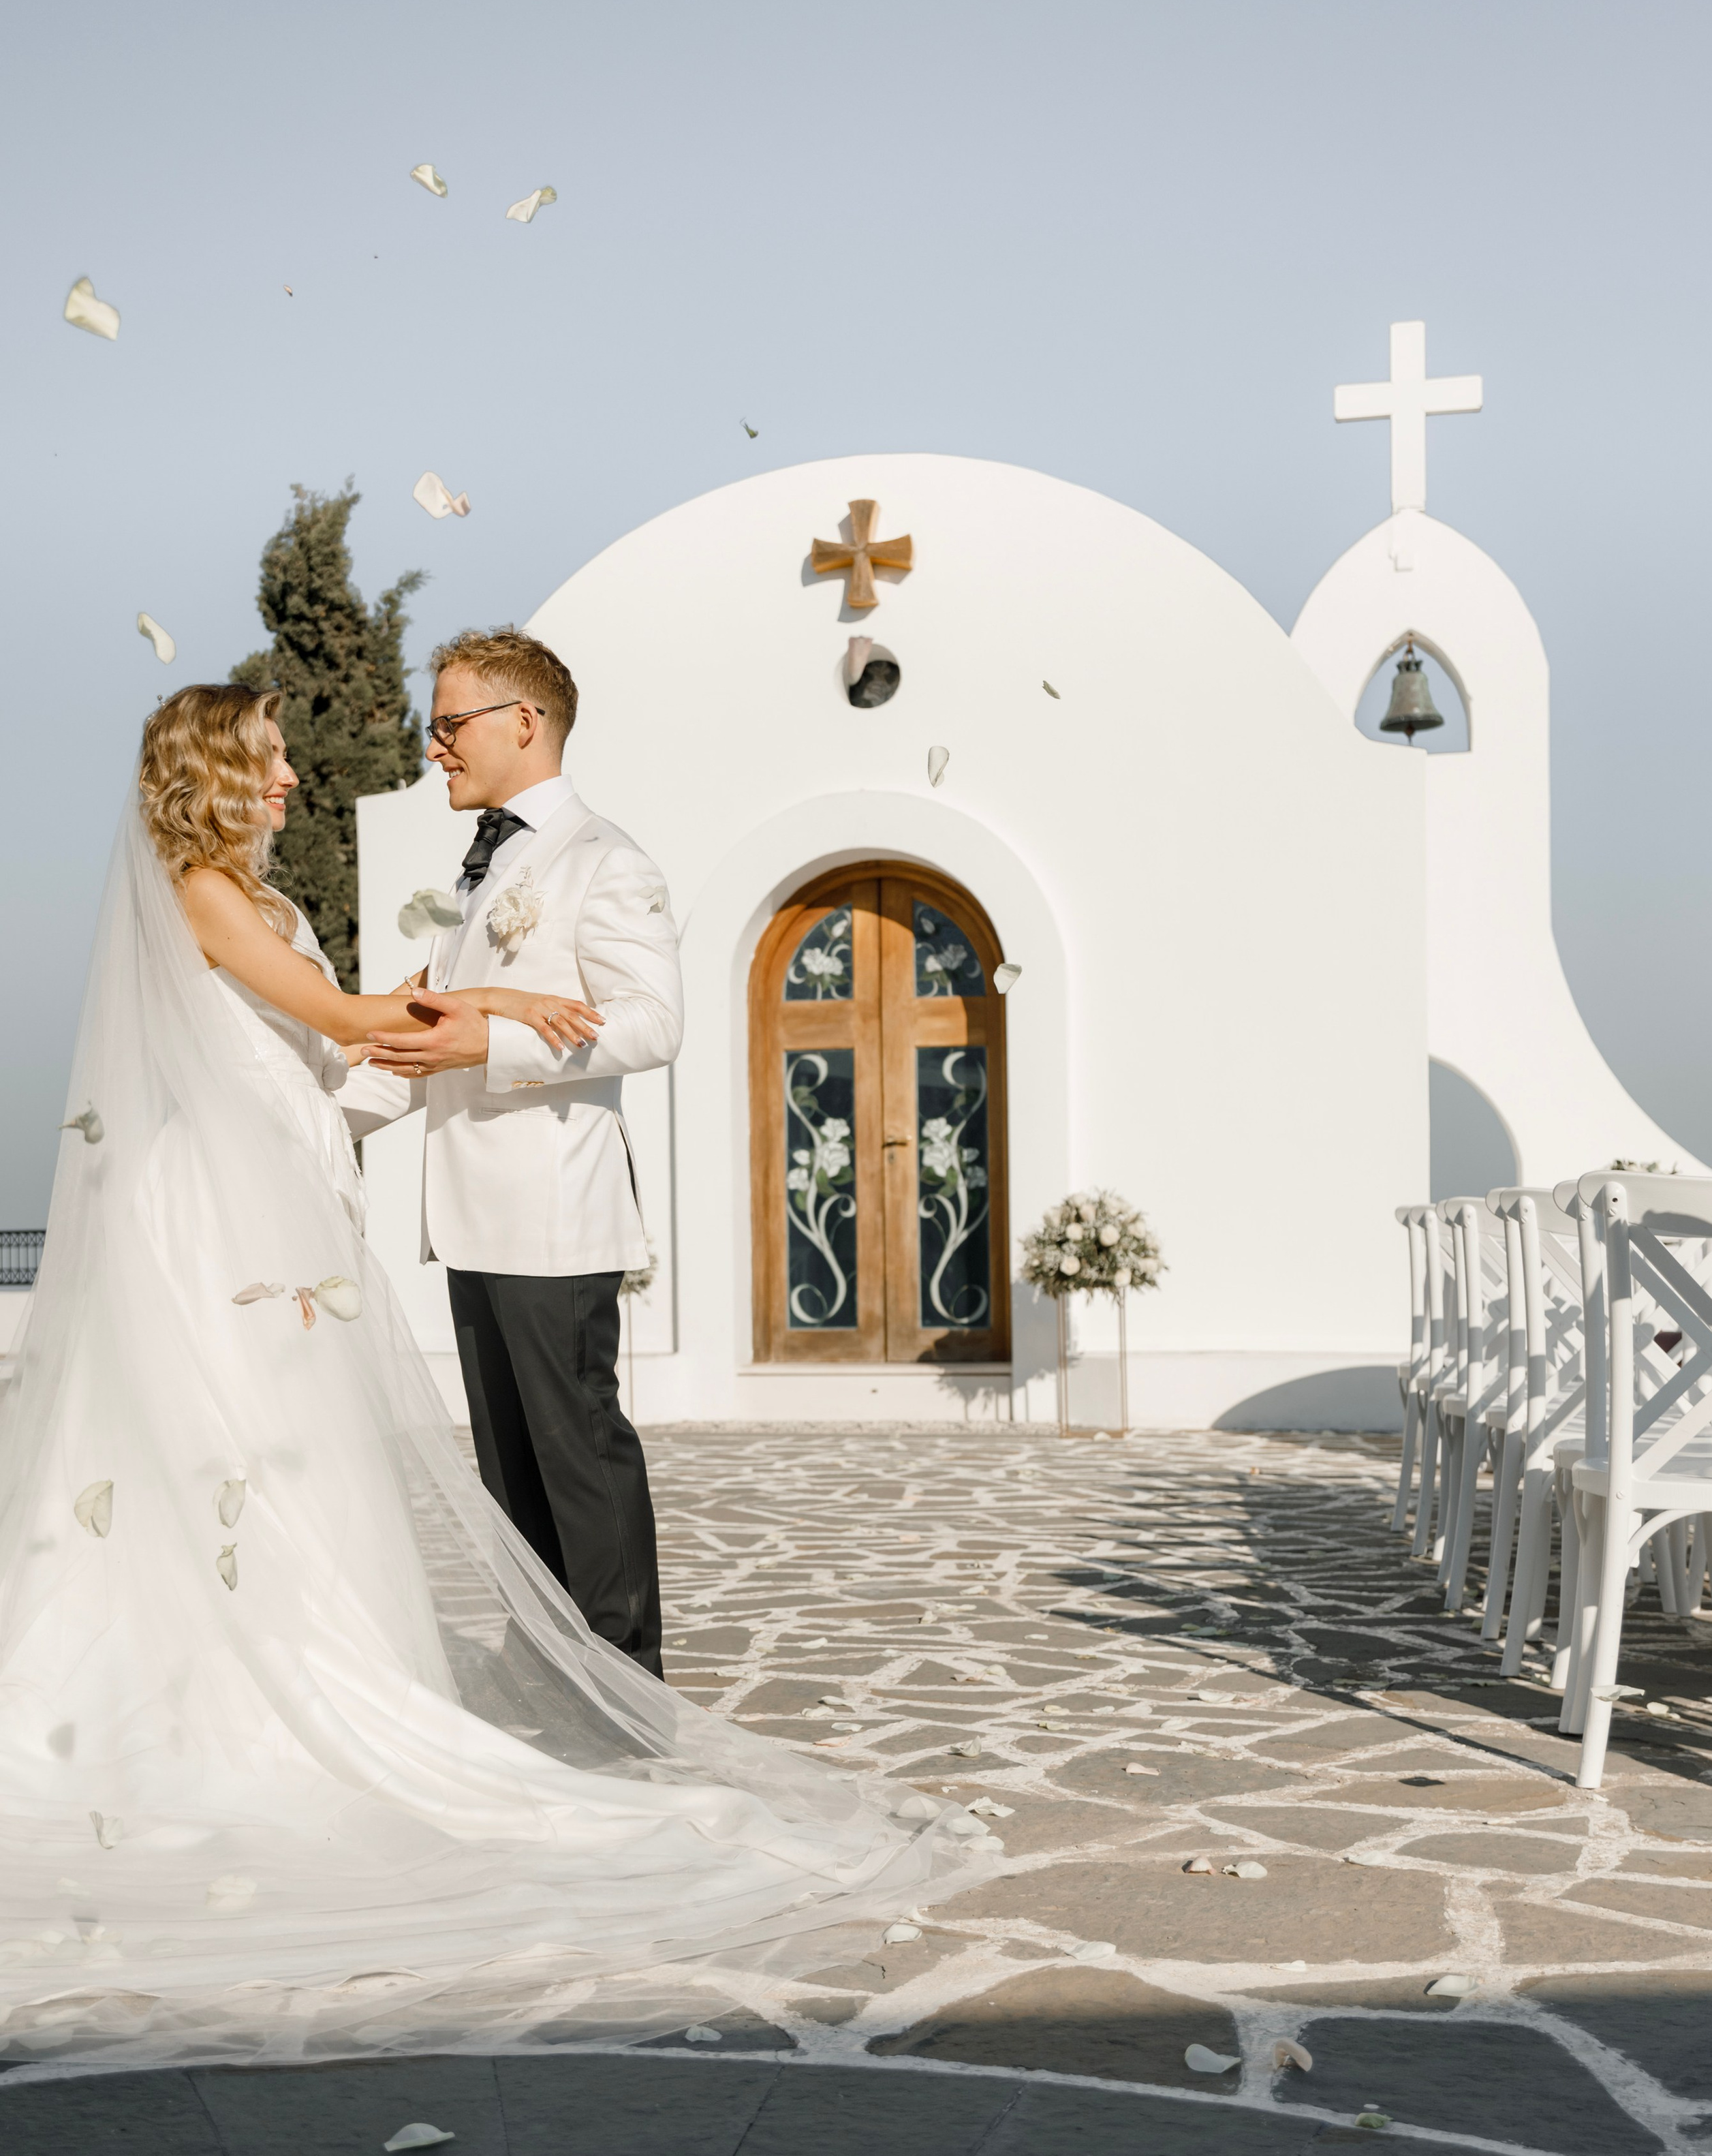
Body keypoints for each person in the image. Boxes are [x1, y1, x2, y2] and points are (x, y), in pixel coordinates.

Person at [0, 683, 991, 2078]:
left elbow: (376, 1024)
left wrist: (496, 1010)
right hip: (215, 1222)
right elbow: (344, 1016)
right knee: (236, 1453)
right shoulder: (199, 894)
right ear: (216, 768)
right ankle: (234, 1688)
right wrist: (493, 1006)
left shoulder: (518, 866)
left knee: (348, 1451)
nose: (295, 774)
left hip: (294, 1208)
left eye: (288, 755)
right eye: (273, 755)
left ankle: (550, 1683)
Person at [352, 630, 673, 1676]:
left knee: (578, 1457)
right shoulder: (481, 869)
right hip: (471, 1218)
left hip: (553, 1211)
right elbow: (424, 1035)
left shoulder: (606, 861)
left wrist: (487, 1039)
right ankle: (549, 1681)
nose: (434, 747)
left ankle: (628, 1695)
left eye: (449, 725)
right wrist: (310, 1120)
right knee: (509, 1474)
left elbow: (651, 1026)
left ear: (522, 724)